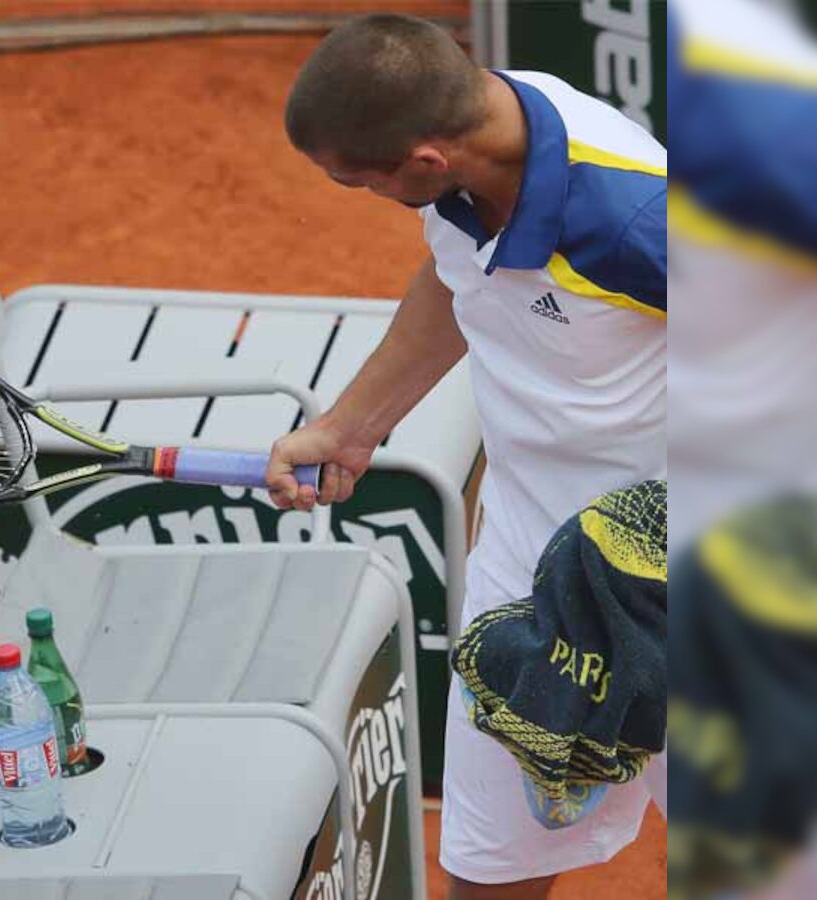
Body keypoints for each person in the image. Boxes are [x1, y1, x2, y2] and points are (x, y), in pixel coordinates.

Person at [265, 14, 666, 899]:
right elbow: (461, 277)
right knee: (492, 864)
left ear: (424, 163)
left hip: (687, 587)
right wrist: (353, 424)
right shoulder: (473, 137)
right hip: (530, 563)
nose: (357, 192)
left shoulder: (638, 220)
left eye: (357, 181)